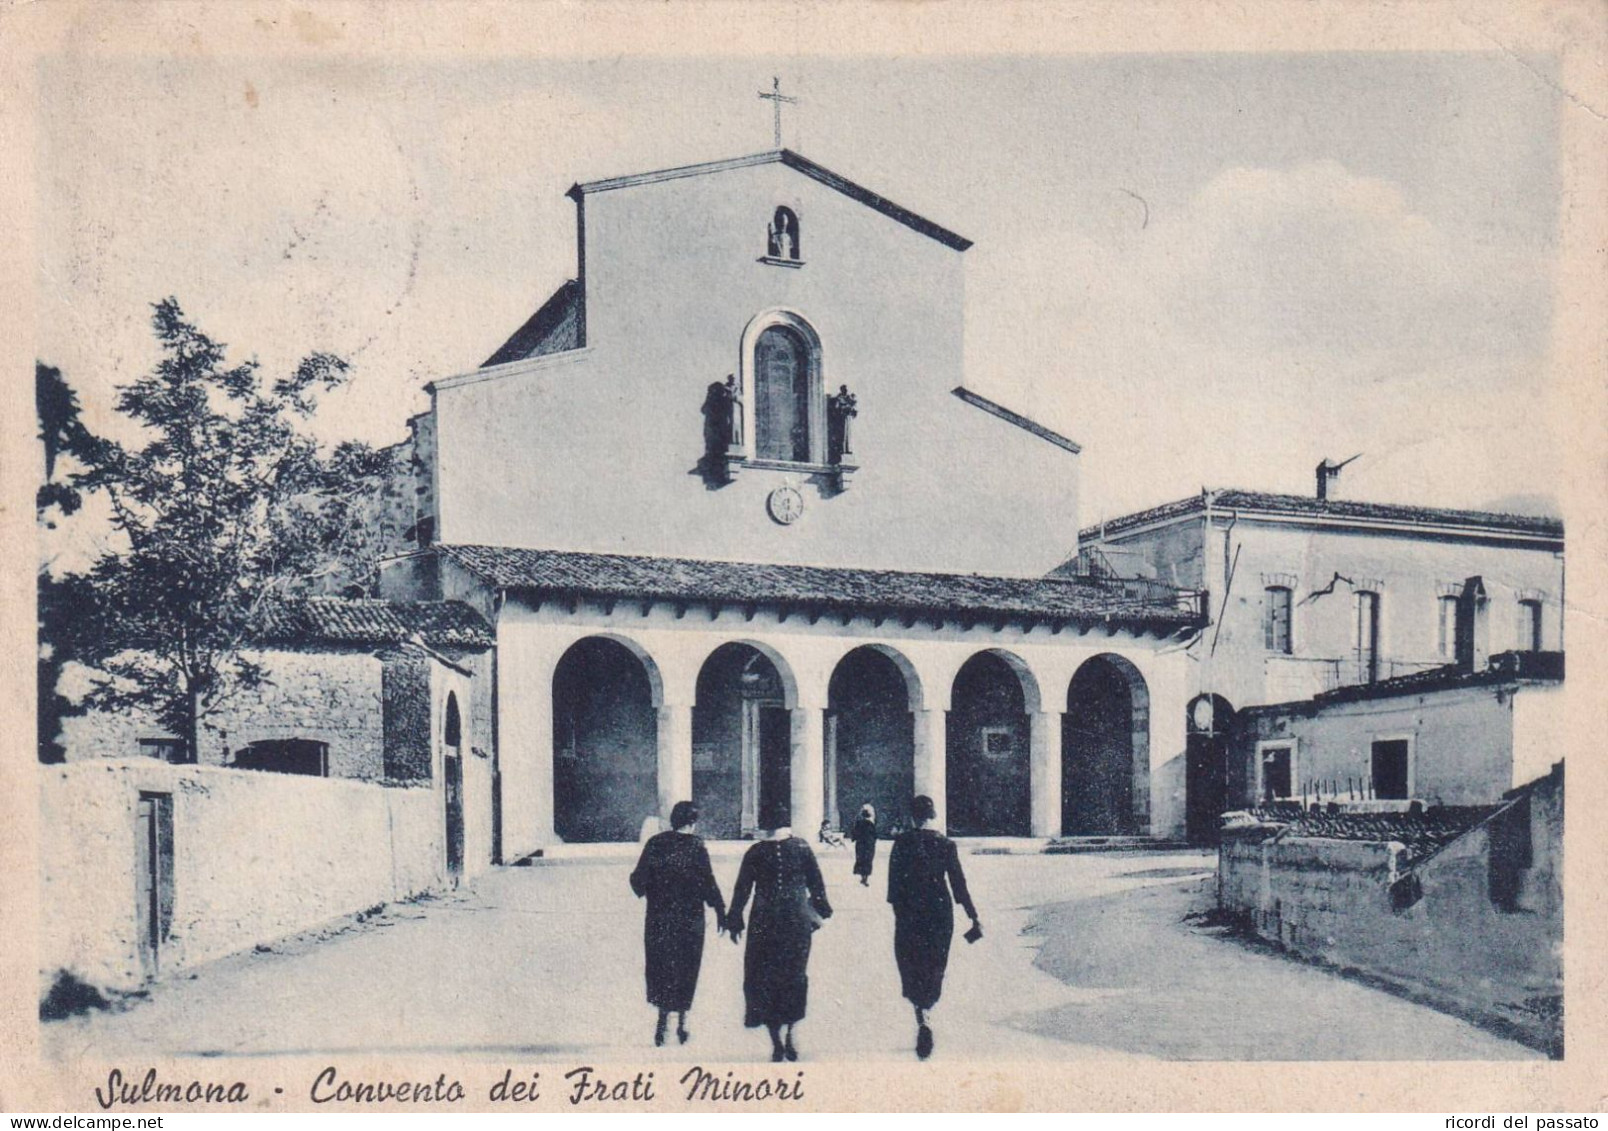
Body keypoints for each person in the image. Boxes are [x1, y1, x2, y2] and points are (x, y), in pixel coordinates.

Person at [723, 809, 832, 1062]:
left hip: (764, 920)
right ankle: (792, 1035)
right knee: (794, 975)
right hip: (796, 920)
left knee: (764, 977)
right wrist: (821, 911)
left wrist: (734, 918)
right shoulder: (802, 847)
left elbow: (742, 889)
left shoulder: (755, 852)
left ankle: (776, 1041)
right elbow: (817, 884)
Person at [887, 794, 981, 1060]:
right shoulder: (946, 844)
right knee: (934, 964)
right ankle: (928, 1008)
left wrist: (900, 913)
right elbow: (958, 884)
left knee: (911, 963)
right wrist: (973, 916)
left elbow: (893, 888)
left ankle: (921, 1014)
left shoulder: (902, 843)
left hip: (909, 913)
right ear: (933, 815)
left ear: (913, 817)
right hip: (940, 912)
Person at [629, 800, 726, 1048]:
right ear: (692, 823)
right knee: (686, 966)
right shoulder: (697, 846)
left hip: (659, 918)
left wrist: (654, 889)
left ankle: (662, 1022)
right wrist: (721, 909)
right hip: (690, 919)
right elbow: (708, 882)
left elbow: (638, 881)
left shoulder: (655, 843)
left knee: (661, 965)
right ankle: (682, 1023)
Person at [850, 804, 879, 886]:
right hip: (869, 845)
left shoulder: (859, 823)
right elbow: (875, 835)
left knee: (861, 860)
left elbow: (855, 833)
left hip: (860, 845)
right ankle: (865, 878)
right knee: (868, 861)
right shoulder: (871, 824)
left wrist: (854, 838)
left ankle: (863, 877)